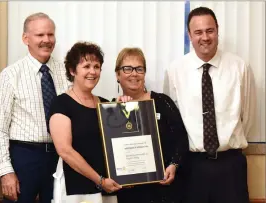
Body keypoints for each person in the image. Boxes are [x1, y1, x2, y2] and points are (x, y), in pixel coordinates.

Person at [163, 6, 256, 203]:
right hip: (192, 167)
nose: (204, 37)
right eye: (198, 32)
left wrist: (227, 143)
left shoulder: (239, 67)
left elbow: (248, 116)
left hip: (231, 165)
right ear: (189, 35)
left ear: (217, 30)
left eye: (209, 30)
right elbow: (172, 121)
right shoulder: (175, 71)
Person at [0, 13, 70, 203]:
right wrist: (6, 171)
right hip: (24, 158)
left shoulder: (66, 72)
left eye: (50, 35)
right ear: (25, 38)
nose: (46, 40)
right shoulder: (10, 75)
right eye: (40, 35)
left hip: (61, 157)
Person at [49, 42, 122, 203]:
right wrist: (100, 180)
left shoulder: (105, 105)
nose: (92, 71)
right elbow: (65, 151)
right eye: (86, 66)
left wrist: (126, 107)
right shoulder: (61, 104)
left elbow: (118, 142)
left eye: (97, 66)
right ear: (72, 70)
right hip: (76, 188)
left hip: (107, 186)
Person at [114, 47, 189, 203]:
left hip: (165, 189)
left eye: (139, 69)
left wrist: (174, 165)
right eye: (127, 68)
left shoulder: (162, 102)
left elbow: (181, 138)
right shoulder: (111, 110)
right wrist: (118, 110)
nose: (134, 73)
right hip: (130, 194)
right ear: (117, 75)